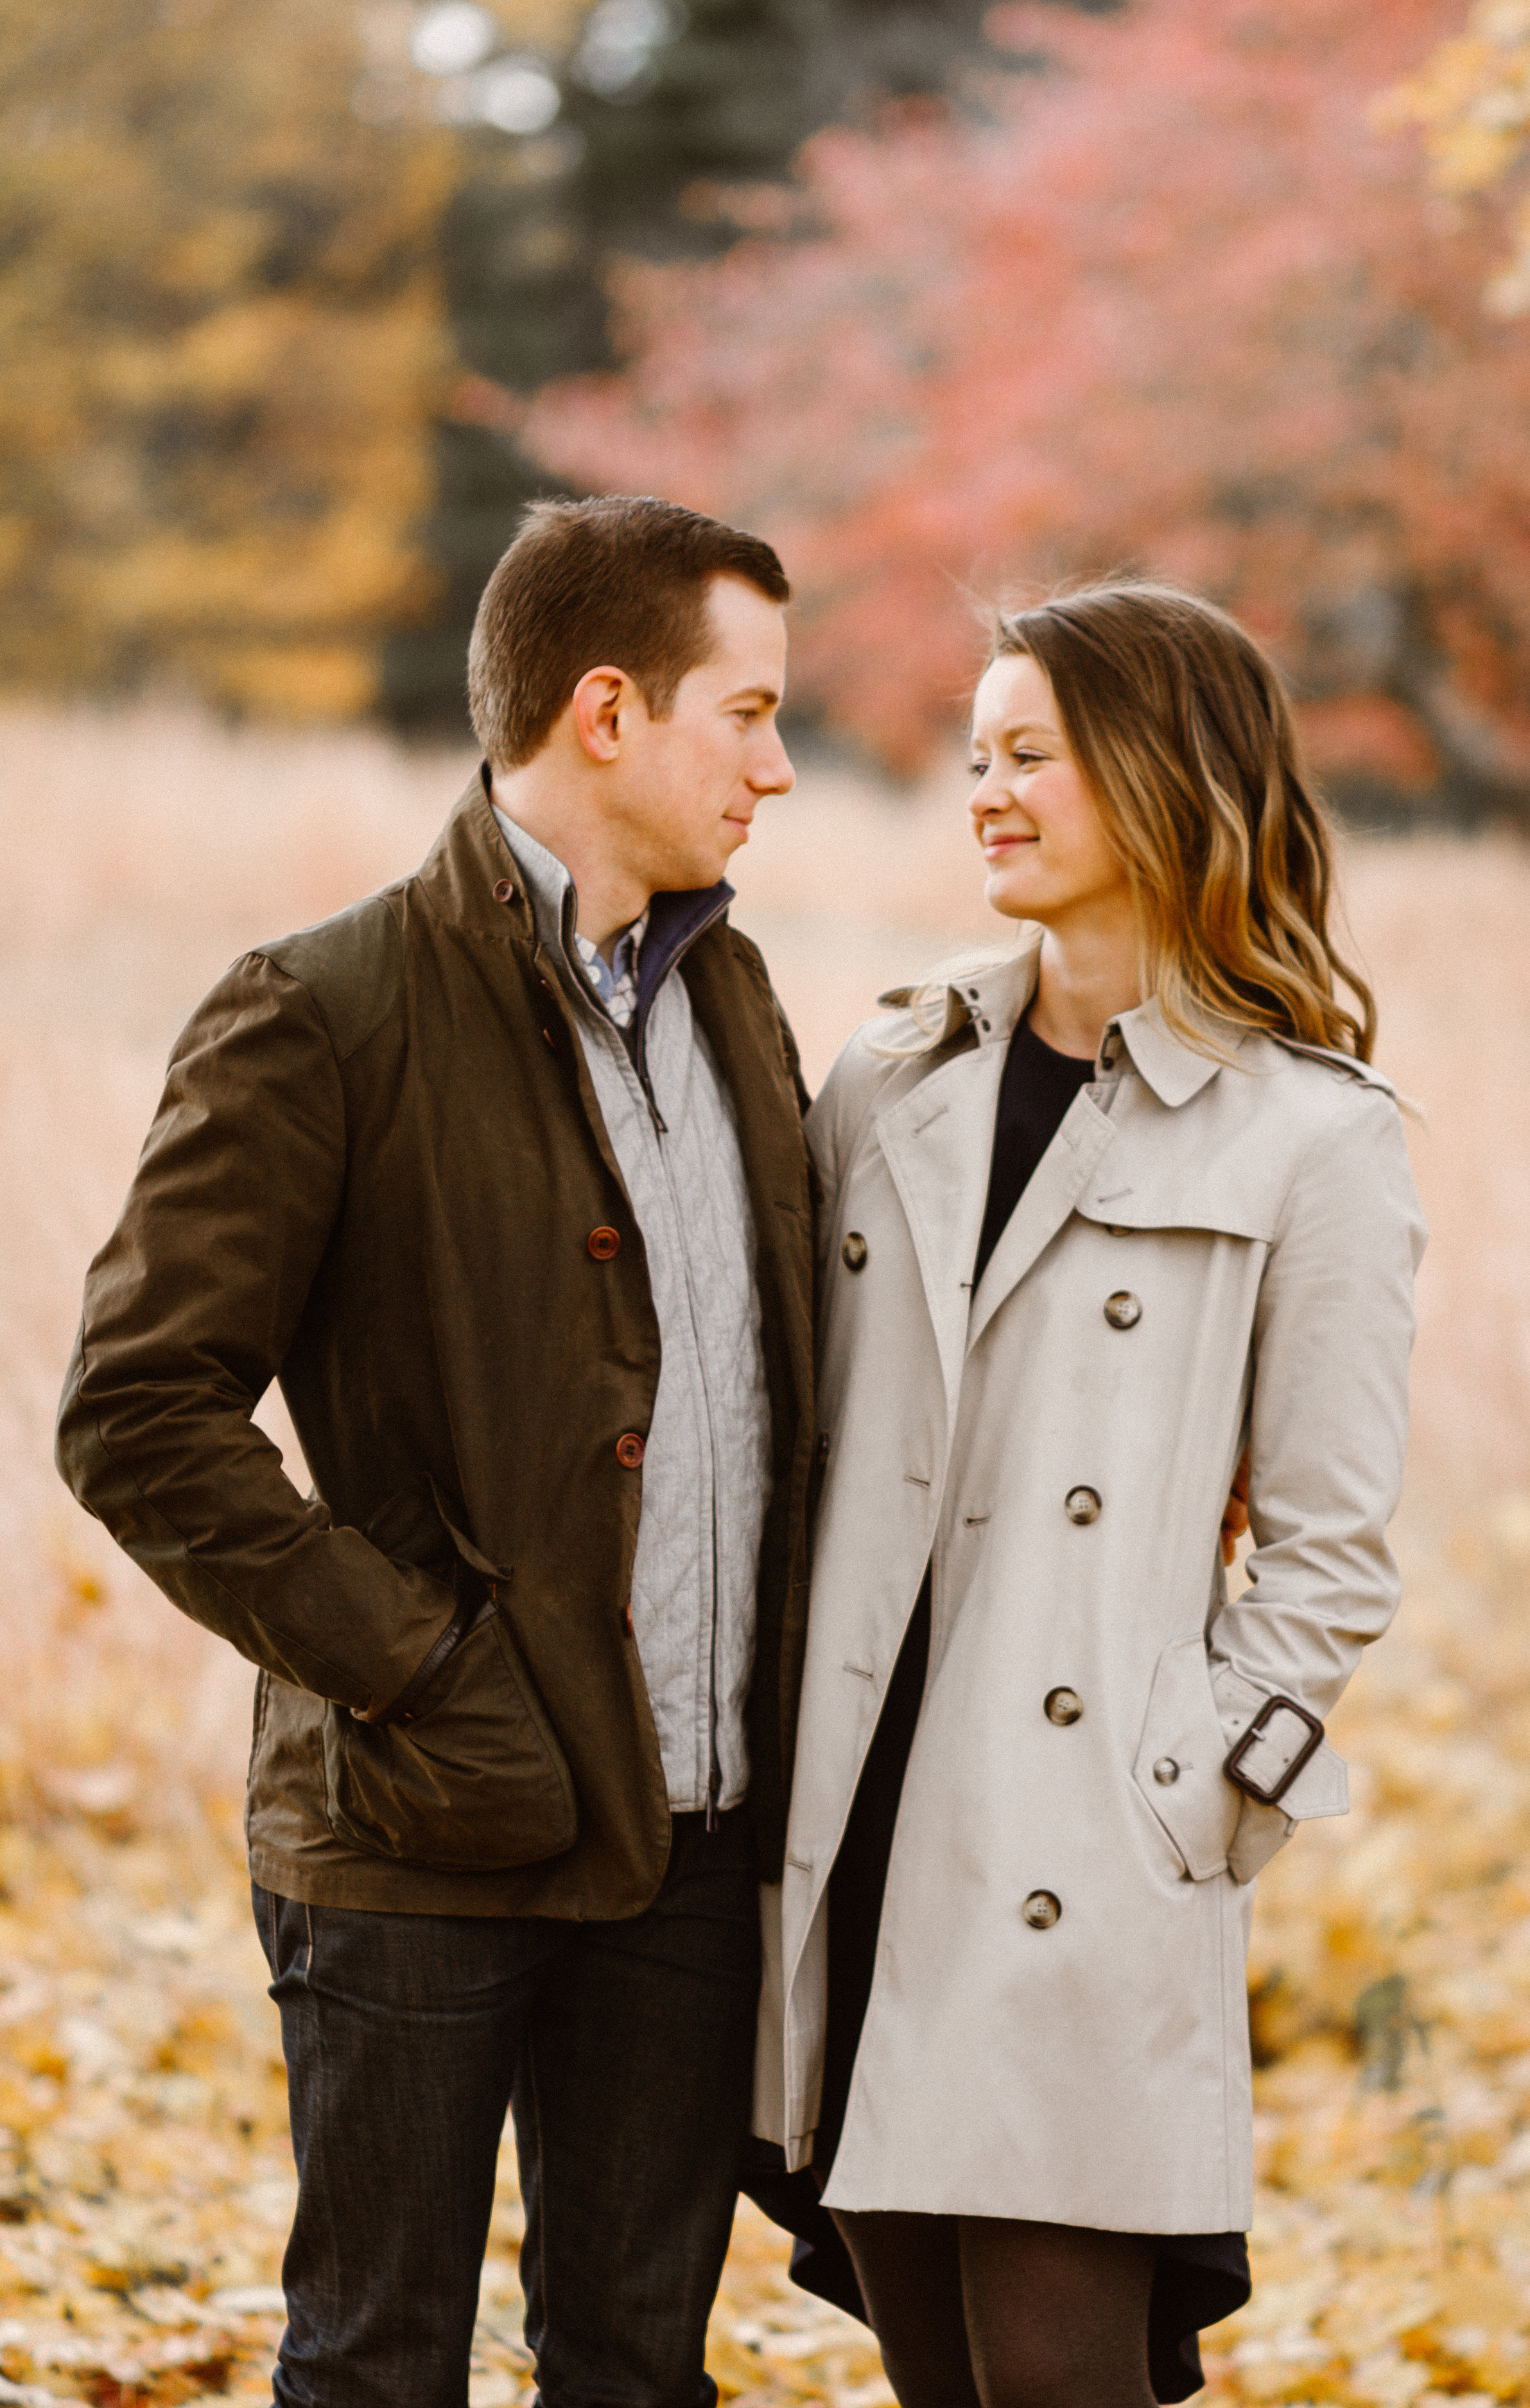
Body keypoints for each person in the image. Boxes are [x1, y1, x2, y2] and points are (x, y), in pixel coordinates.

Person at [55, 495, 817, 2408]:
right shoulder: (321, 1009)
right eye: (749, 714)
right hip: (416, 1831)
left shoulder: (731, 995)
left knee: (637, 2368)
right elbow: (136, 1411)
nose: (780, 769)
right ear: (608, 710)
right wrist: (424, 1674)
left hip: (697, 1842)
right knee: (379, 2364)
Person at [763, 580, 1426, 2407]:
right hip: (860, 1814)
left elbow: (1326, 1550)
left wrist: (1196, 1797)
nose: (985, 790)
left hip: (1081, 1843)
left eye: (1030, 754)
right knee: (933, 2386)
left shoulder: (1315, 1136)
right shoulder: (886, 1078)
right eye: (974, 757)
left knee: (1059, 2383)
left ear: (1160, 771)